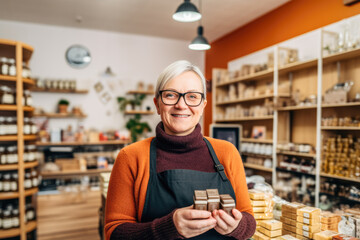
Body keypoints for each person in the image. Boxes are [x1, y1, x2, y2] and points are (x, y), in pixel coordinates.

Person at [105, 60, 256, 240]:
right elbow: (114, 233)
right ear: (157, 104)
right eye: (170, 95)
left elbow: (249, 221)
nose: (181, 105)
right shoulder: (131, 157)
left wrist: (237, 227)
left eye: (192, 96)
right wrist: (168, 227)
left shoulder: (227, 152)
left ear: (202, 106)